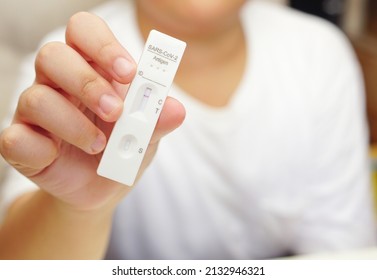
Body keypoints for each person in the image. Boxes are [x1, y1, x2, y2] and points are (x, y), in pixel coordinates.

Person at [0, 0, 376, 259]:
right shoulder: (70, 61)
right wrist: (74, 210)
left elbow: (342, 254)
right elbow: (18, 262)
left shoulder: (319, 52)